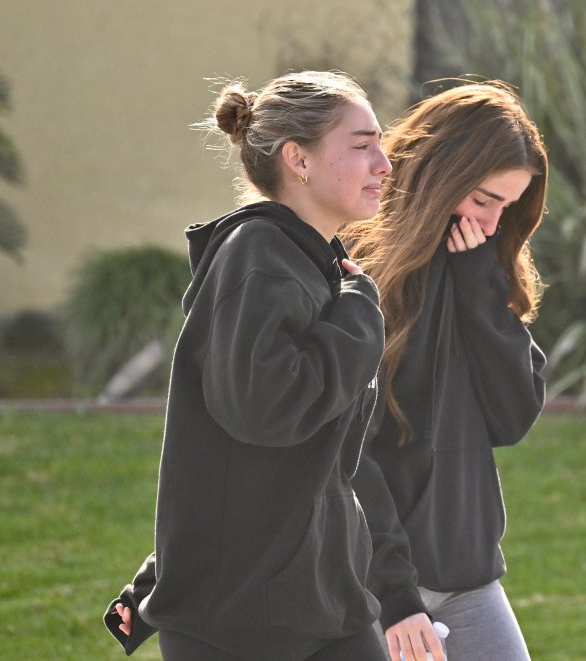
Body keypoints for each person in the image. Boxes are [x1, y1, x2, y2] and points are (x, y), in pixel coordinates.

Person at [102, 70, 392, 660]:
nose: (384, 164)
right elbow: (266, 408)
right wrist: (361, 321)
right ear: (298, 160)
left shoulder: (318, 266)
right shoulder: (258, 256)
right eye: (362, 146)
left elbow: (289, 462)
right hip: (238, 624)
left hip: (327, 602)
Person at [343, 81, 548, 661]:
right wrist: (393, 594)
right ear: (441, 174)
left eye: (506, 207)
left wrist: (480, 283)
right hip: (369, 584)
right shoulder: (356, 275)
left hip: (466, 577)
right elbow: (348, 451)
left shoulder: (476, 269)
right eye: (484, 200)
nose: (491, 221)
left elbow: (511, 418)